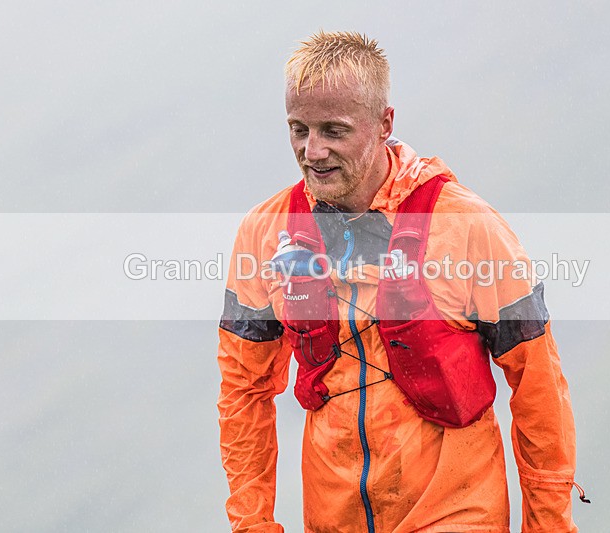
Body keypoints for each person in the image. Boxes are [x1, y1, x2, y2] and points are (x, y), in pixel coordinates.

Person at [218, 31, 581, 532]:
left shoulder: (468, 227)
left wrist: (549, 526)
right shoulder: (265, 232)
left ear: (385, 123)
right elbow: (244, 390)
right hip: (332, 515)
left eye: (334, 130)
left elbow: (538, 382)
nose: (312, 150)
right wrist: (252, 524)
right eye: (298, 129)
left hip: (458, 511)